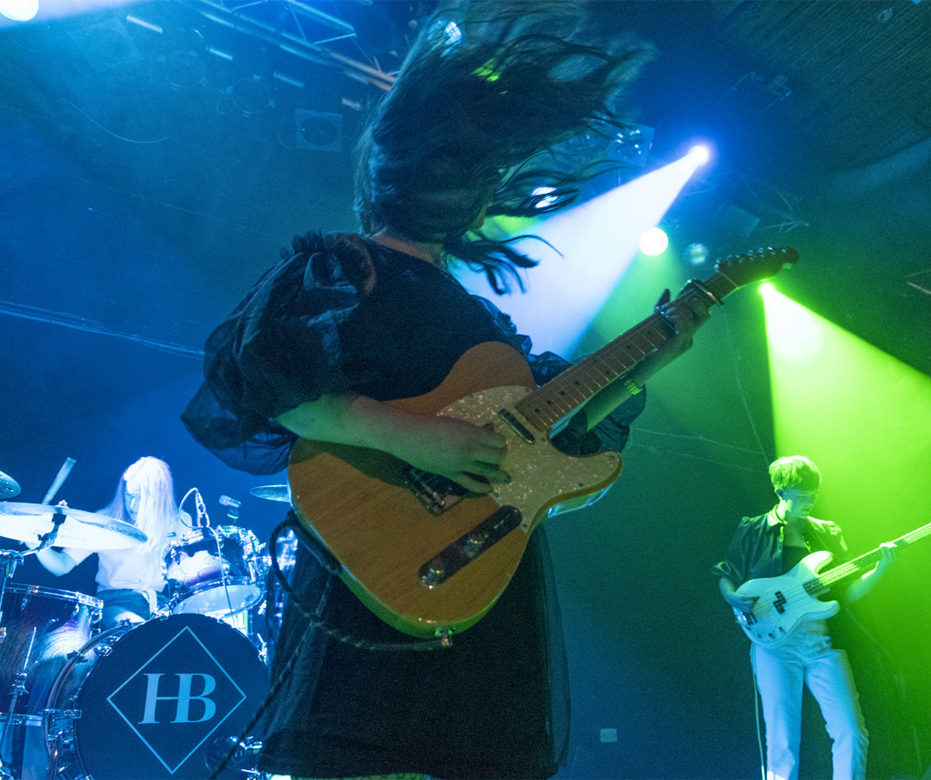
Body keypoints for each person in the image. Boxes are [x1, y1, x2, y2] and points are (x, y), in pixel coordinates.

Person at [181, 2, 712, 777]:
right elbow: (256, 377)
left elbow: (554, 434)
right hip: (372, 588)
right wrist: (411, 435)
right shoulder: (347, 265)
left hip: (481, 592)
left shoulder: (480, 318)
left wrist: (652, 357)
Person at [713, 455, 899, 780]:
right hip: (774, 645)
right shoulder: (754, 528)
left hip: (821, 641)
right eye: (803, 495)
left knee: (852, 732)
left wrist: (881, 569)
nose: (810, 502)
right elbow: (727, 572)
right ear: (782, 492)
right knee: (782, 741)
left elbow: (848, 593)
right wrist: (733, 597)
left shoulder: (827, 533)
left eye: (814, 494)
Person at [36, 455, 182, 628]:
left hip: (162, 604)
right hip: (114, 602)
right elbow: (61, 565)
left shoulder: (179, 522)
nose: (132, 504)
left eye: (141, 497)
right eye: (129, 495)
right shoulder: (105, 521)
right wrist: (34, 543)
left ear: (159, 497)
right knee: (138, 633)